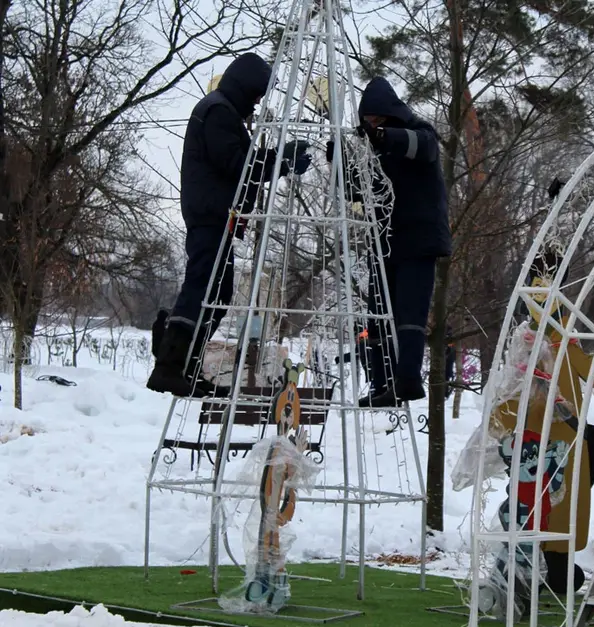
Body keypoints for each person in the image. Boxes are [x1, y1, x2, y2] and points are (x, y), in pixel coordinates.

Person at [147, 52, 313, 398]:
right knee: (203, 287)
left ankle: (186, 366)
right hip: (211, 214)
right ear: (245, 87)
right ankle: (169, 364)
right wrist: (282, 163)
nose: (257, 102)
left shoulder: (223, 112)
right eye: (257, 94)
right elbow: (238, 166)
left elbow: (244, 162)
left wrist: (278, 156)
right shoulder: (218, 112)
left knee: (217, 293)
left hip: (218, 215)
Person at [327, 76, 451, 407]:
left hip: (418, 239)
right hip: (386, 242)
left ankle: (407, 378)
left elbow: (423, 147)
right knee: (378, 314)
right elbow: (357, 190)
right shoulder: (376, 153)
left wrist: (384, 137)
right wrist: (339, 161)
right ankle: (382, 382)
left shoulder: (419, 133)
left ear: (390, 115)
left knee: (409, 311)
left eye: (377, 120)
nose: (372, 126)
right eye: (369, 122)